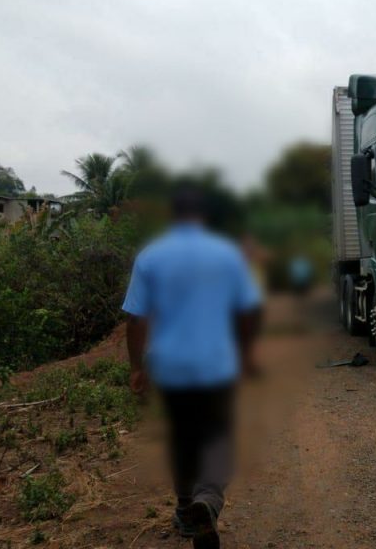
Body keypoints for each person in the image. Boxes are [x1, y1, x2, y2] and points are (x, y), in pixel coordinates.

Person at [123, 185, 261, 549]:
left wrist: (137, 368)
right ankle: (207, 502)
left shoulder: (150, 257)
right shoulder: (228, 256)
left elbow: (136, 320)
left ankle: (187, 509)